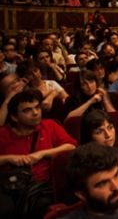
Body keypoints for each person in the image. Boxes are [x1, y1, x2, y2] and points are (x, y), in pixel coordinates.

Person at [0, 90, 77, 218]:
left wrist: (42, 154)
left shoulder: (50, 125)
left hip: (42, 187)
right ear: (14, 117)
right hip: (10, 187)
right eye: (27, 110)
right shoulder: (3, 134)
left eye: (37, 107)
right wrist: (9, 159)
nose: (35, 113)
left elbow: (71, 146)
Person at [80, 110, 118, 183]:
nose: (108, 135)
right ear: (88, 137)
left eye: (110, 127)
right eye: (99, 132)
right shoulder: (82, 162)